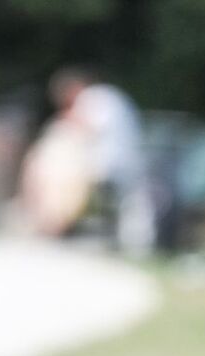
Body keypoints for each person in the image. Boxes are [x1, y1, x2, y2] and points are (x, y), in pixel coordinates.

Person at [19, 67, 155, 255]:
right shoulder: (108, 96)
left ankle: (53, 221)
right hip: (122, 164)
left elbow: (84, 128)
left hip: (110, 166)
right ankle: (53, 220)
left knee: (57, 170)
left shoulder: (93, 97)